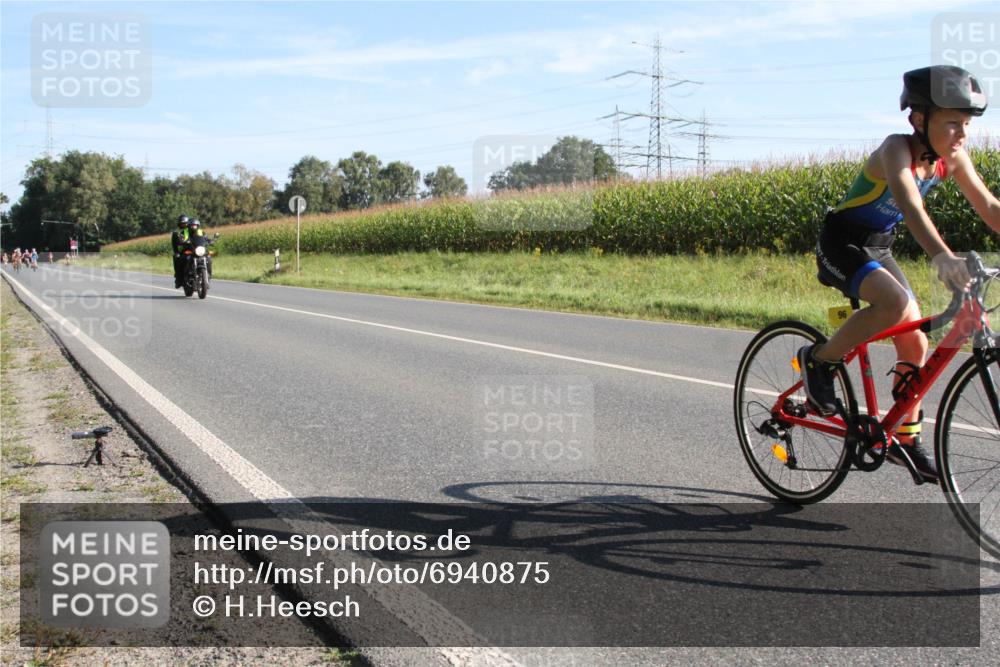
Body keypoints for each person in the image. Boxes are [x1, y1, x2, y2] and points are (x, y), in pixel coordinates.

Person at [798, 65, 1000, 483]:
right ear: (919, 119)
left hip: (878, 247)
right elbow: (910, 206)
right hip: (842, 242)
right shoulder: (896, 149)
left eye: (966, 125)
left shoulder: (951, 158)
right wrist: (942, 257)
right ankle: (819, 361)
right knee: (894, 303)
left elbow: (990, 208)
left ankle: (905, 439)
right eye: (953, 124)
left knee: (916, 339)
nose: (962, 134)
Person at [171, 214, 190, 287]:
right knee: (177, 257)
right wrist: (176, 252)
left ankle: (207, 275)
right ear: (179, 224)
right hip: (184, 250)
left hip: (195, 250)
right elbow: (175, 243)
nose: (184, 225)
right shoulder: (178, 232)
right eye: (182, 223)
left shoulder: (193, 230)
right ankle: (178, 278)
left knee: (208, 257)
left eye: (185, 223)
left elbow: (201, 237)